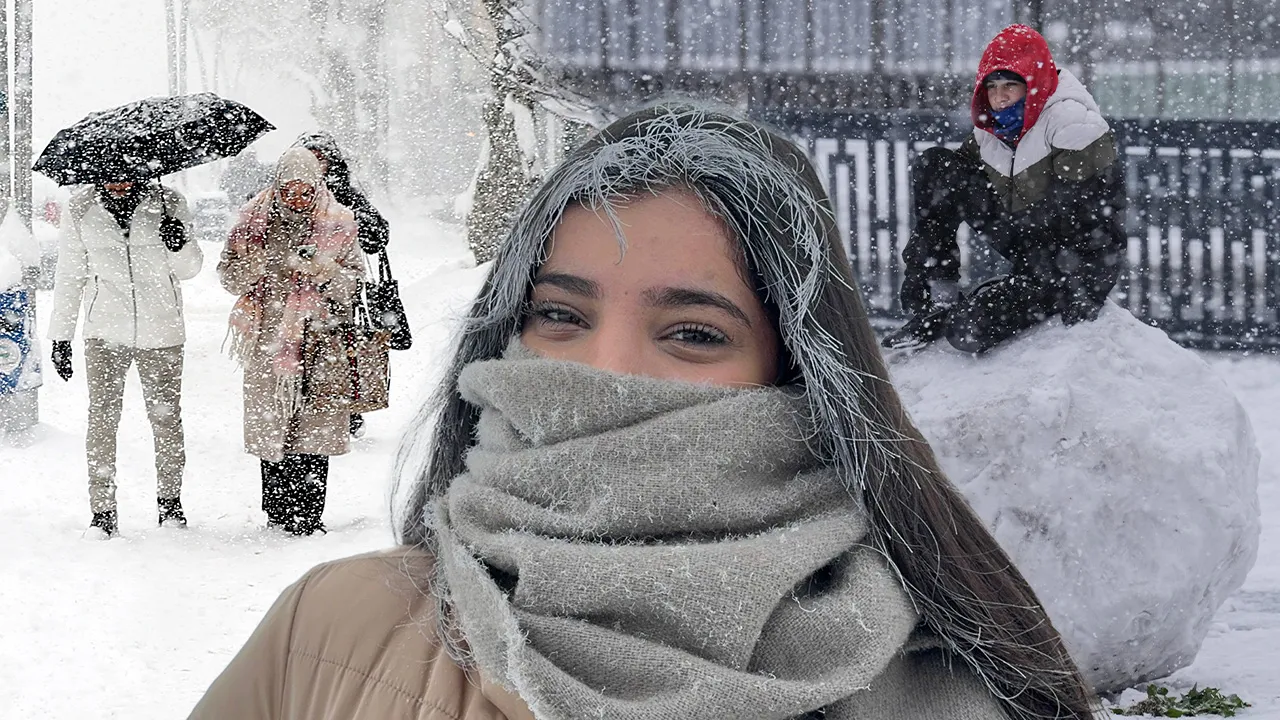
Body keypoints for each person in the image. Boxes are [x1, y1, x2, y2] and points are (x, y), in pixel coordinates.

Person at [188, 107, 1098, 719]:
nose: (608, 372)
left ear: (800, 375)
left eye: (694, 333)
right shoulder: (332, 631)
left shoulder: (946, 693)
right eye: (560, 315)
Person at [883, 24, 1126, 353]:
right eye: (992, 86)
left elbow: (1102, 228)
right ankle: (942, 298)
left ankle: (987, 304)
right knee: (936, 165)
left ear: (1034, 84)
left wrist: (1083, 295)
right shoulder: (993, 127)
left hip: (1066, 267)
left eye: (1011, 85)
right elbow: (951, 187)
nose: (999, 97)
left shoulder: (1074, 124)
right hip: (1028, 245)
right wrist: (920, 266)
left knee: (967, 333)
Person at [216, 148, 362, 536]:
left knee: (313, 426)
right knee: (273, 422)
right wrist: (255, 263)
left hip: (319, 338)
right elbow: (228, 278)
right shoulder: (251, 221)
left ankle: (309, 514)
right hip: (266, 338)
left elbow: (353, 285)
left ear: (317, 187)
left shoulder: (340, 223)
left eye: (305, 191)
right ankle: (278, 509)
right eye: (290, 191)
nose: (298, 199)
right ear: (277, 186)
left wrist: (323, 268)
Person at [48, 180, 201, 537]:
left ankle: (170, 505)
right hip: (105, 331)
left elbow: (190, 269)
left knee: (166, 420)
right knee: (102, 420)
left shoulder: (168, 202)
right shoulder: (80, 207)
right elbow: (70, 274)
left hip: (162, 331)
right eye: (110, 175)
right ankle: (102, 513)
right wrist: (61, 336)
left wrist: (178, 243)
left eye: (126, 173)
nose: (119, 182)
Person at [294, 131, 390, 439]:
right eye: (311, 158)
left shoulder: (346, 196)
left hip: (338, 291)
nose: (318, 165)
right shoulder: (292, 194)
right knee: (298, 354)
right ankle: (299, 410)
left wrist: (352, 215)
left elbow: (378, 237)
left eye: (322, 158)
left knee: (337, 351)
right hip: (297, 291)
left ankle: (345, 410)